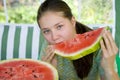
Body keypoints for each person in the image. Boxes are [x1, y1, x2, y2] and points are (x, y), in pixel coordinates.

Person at [37, 0, 119, 80]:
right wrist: (48, 73)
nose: (54, 37)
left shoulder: (98, 45)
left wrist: (109, 69)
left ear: (72, 21)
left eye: (59, 26)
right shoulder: (48, 46)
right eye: (46, 31)